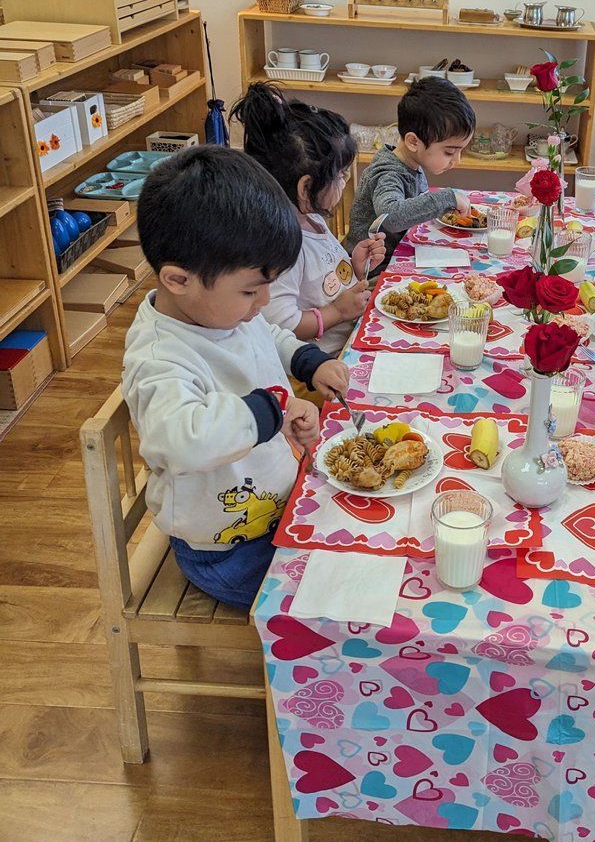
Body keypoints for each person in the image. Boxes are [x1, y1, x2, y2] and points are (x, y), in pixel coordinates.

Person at [122, 146, 351, 608]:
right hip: (228, 548)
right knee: (331, 603)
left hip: (281, 504)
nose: (264, 301)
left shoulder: (230, 313)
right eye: (251, 288)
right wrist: (275, 408)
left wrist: (308, 361)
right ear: (178, 279)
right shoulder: (159, 357)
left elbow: (269, 334)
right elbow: (181, 438)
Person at [231, 82, 386, 360]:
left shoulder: (311, 217)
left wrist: (354, 265)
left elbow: (321, 281)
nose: (346, 180)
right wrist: (338, 312)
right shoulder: (282, 247)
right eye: (339, 176)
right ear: (305, 188)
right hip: (320, 367)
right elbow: (282, 324)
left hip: (350, 339)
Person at [346, 76, 476, 259]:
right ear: (414, 141)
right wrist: (448, 198)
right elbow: (390, 217)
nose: (457, 160)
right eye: (449, 152)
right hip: (373, 269)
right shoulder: (388, 173)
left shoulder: (412, 161)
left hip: (401, 252)